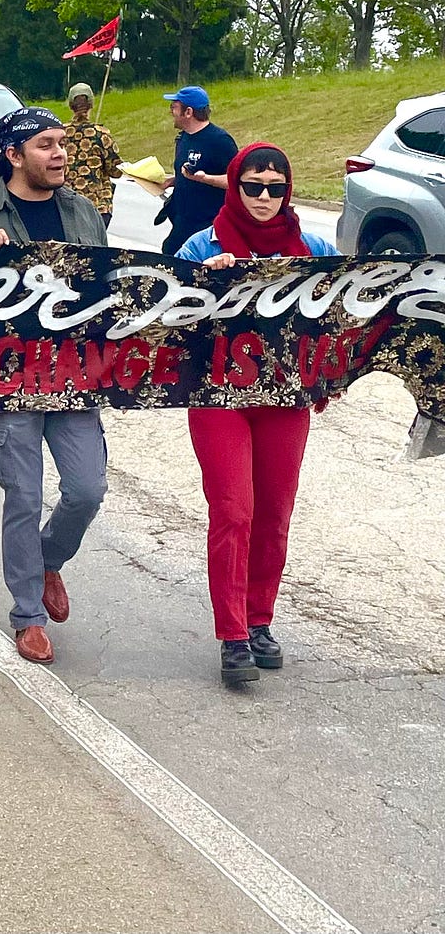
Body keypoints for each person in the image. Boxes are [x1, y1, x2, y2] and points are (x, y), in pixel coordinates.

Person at [0, 107, 109, 665]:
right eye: (46, 145)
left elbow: (108, 287)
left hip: (75, 374)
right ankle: (27, 614)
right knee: (24, 494)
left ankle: (47, 560)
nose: (60, 154)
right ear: (13, 155)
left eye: (61, 144)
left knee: (86, 490)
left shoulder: (83, 211)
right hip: (8, 375)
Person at [177, 143, 338, 688]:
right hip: (219, 397)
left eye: (275, 187)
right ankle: (232, 633)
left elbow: (340, 320)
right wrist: (206, 279)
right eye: (253, 186)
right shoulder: (204, 243)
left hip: (283, 401)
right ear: (234, 185)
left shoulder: (313, 246)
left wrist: (328, 377)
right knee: (233, 511)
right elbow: (165, 316)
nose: (265, 198)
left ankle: (260, 619)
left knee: (273, 513)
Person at [160, 85, 238, 256]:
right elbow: (188, 172)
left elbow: (237, 181)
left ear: (188, 112)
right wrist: (171, 181)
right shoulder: (183, 138)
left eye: (174, 107)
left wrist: (205, 179)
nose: (170, 112)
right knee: (168, 254)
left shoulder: (220, 141)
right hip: (182, 221)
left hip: (207, 224)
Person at [62, 82, 124, 227]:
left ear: (71, 105)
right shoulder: (101, 134)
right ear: (91, 104)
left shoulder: (60, 133)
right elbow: (116, 171)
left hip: (65, 205)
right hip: (97, 206)